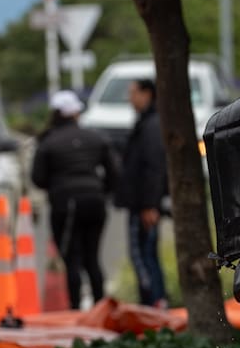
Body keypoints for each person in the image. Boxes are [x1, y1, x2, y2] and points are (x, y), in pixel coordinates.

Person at [31, 89, 117, 309]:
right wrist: (101, 191)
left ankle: (76, 308)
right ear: (75, 114)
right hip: (95, 203)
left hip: (65, 205)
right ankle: (101, 307)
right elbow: (115, 172)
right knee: (92, 258)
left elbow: (37, 178)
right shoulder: (95, 138)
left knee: (72, 260)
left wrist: (58, 186)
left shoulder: (48, 142)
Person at [115, 78, 168, 307]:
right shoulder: (145, 123)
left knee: (143, 256)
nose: (130, 98)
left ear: (147, 94)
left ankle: (154, 303)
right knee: (146, 255)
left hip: (144, 204)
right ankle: (155, 302)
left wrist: (150, 204)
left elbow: (153, 166)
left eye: (133, 92)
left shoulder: (151, 125)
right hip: (141, 202)